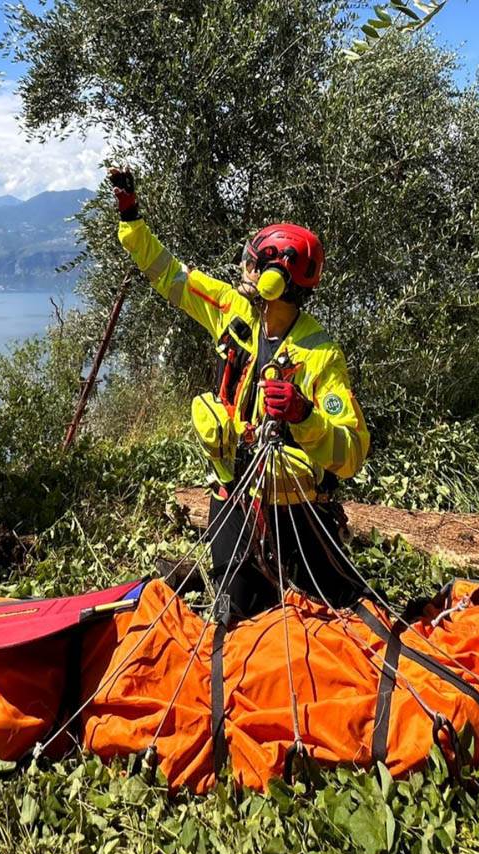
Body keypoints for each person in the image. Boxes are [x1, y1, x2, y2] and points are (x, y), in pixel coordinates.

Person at [109, 168, 370, 623]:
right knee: (233, 619)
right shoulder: (231, 311)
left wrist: (305, 415)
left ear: (273, 278)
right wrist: (132, 219)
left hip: (300, 516)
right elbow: (168, 274)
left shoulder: (320, 355)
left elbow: (351, 456)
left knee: (328, 625)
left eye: (251, 263)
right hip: (233, 499)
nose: (242, 270)